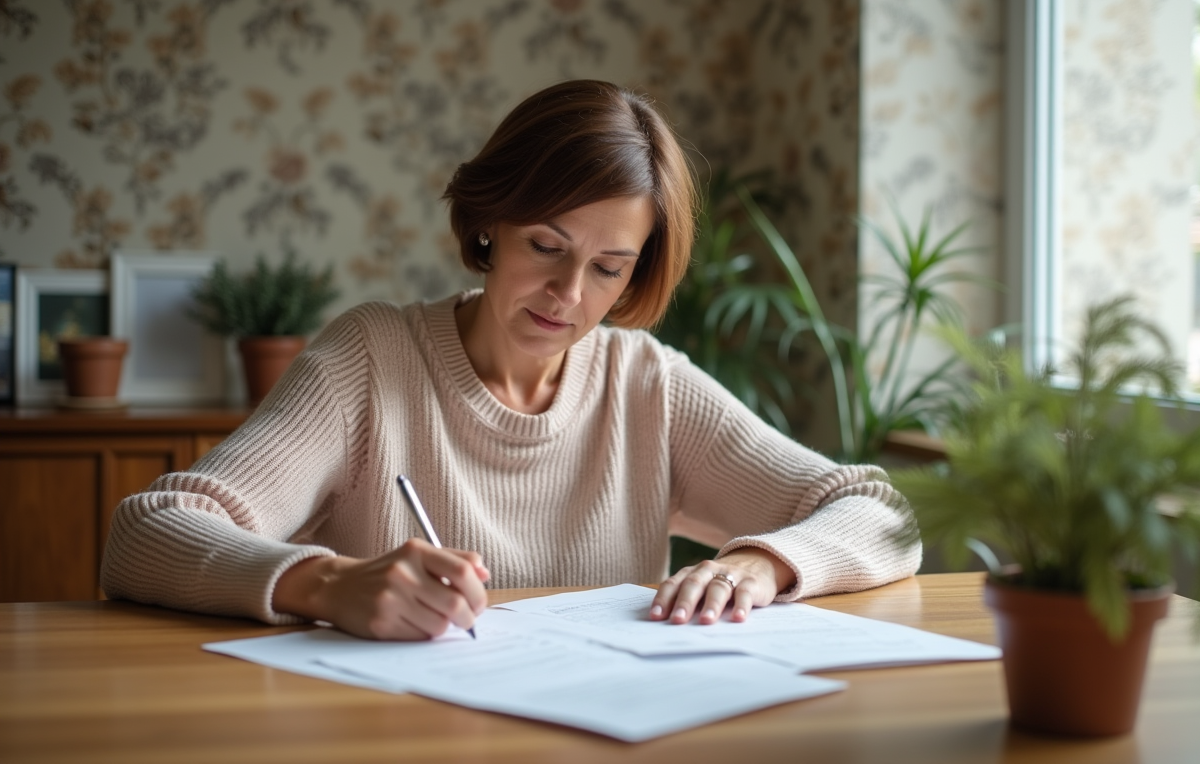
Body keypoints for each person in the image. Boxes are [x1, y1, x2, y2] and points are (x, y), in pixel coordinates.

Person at [101, 79, 921, 641]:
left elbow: (882, 511)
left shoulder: (647, 385)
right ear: (490, 221)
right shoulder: (373, 359)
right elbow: (143, 535)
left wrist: (763, 560)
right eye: (546, 245)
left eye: (609, 267)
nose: (568, 292)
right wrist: (327, 584)